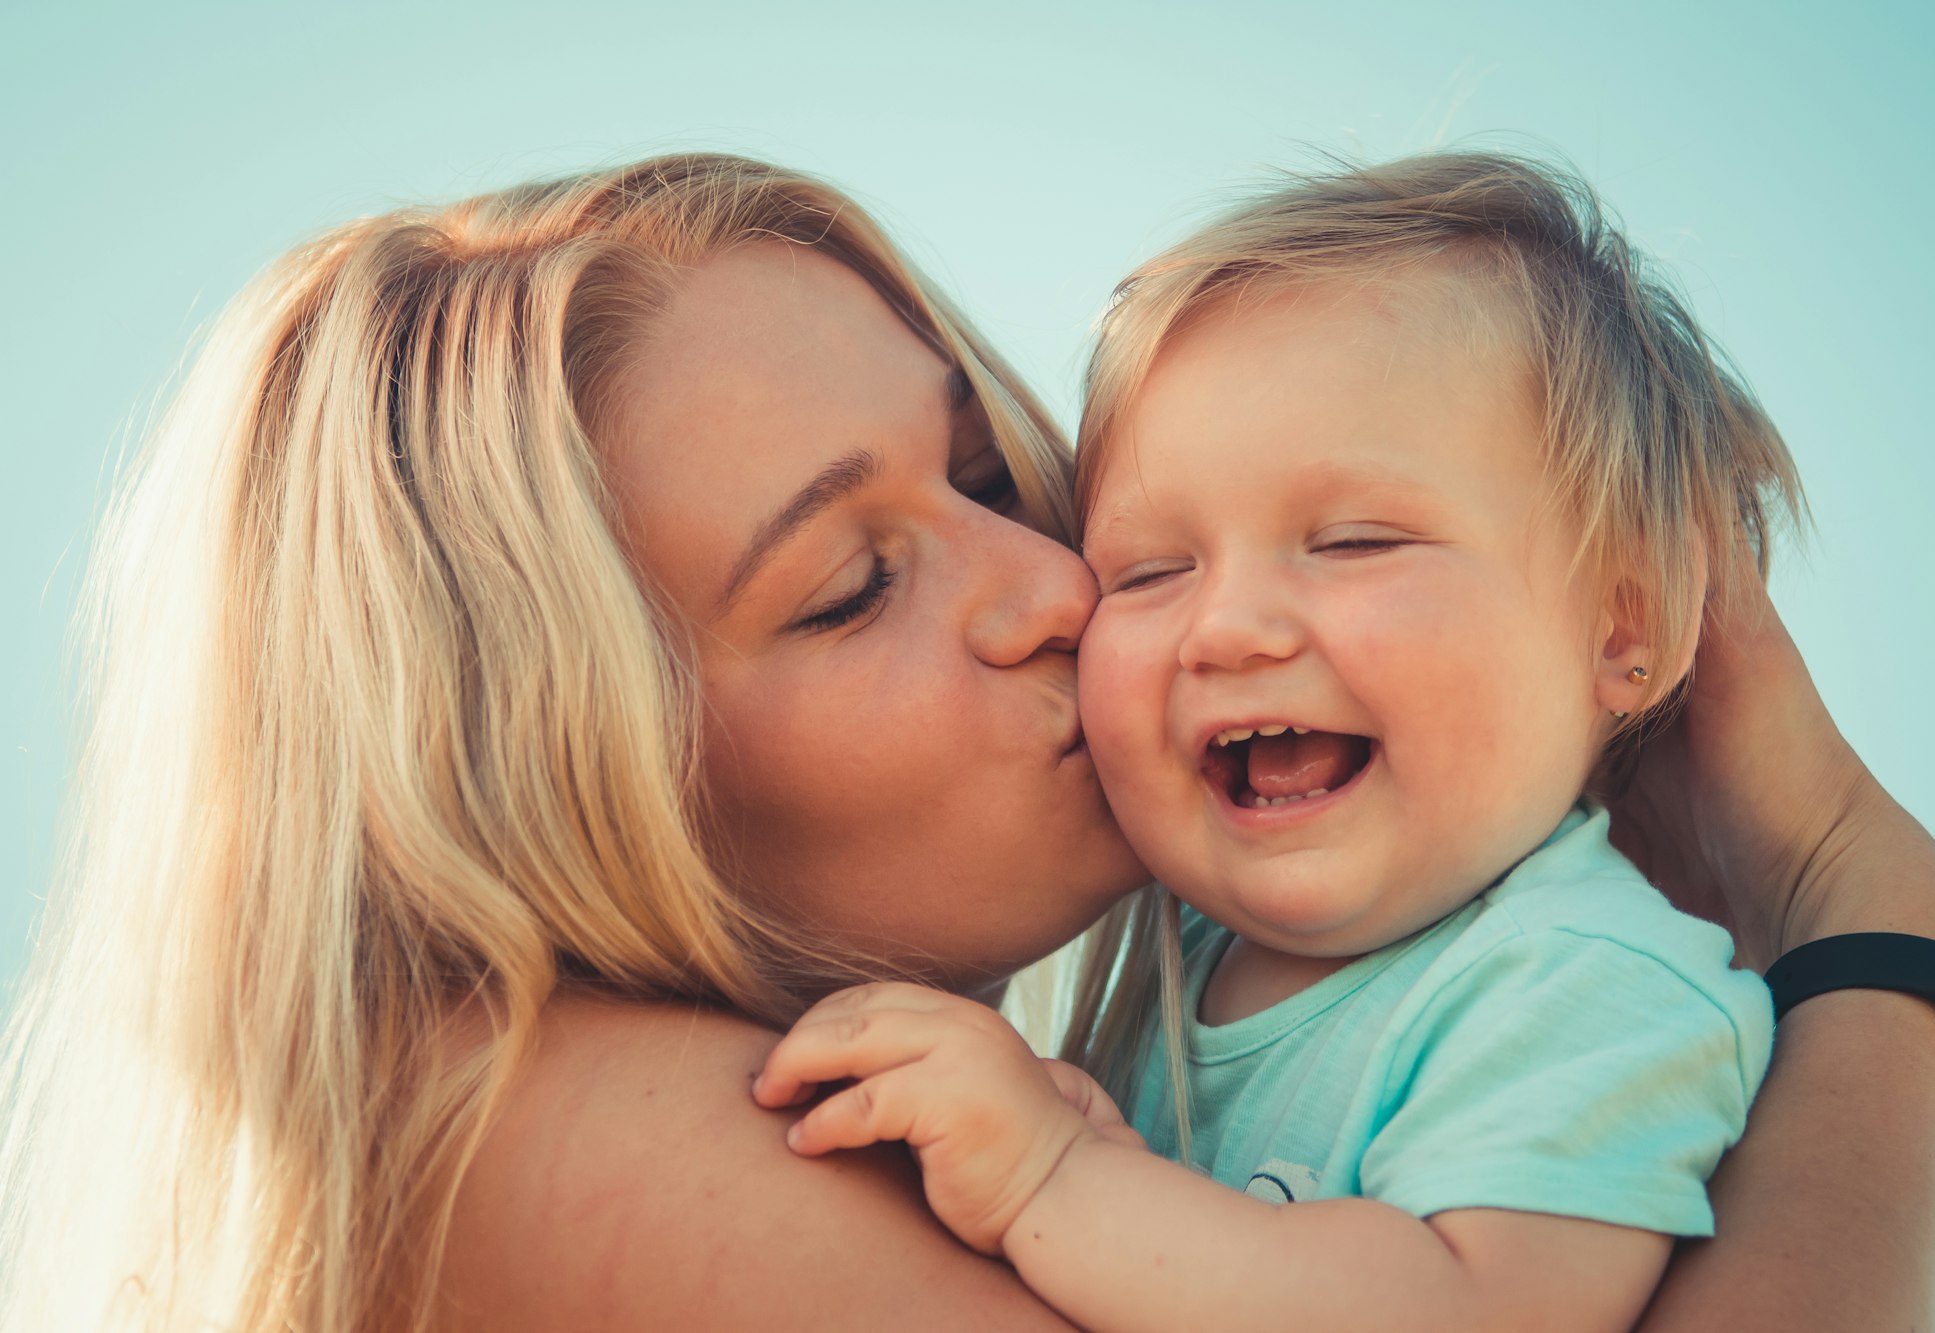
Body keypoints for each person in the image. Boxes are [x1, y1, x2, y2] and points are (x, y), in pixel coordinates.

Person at [0, 153, 1935, 1333]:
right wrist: (1872, 935)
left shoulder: (1235, 1017)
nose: (1051, 583)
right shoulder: (542, 1120)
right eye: (852, 585)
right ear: (545, 780)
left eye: (977, 470)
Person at [751, 152, 1807, 1333]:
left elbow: (1471, 1310)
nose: (1229, 628)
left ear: (1623, 627)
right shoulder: (1174, 952)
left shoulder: (1589, 977)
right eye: (1149, 571)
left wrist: (1054, 1177)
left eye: (1353, 542)